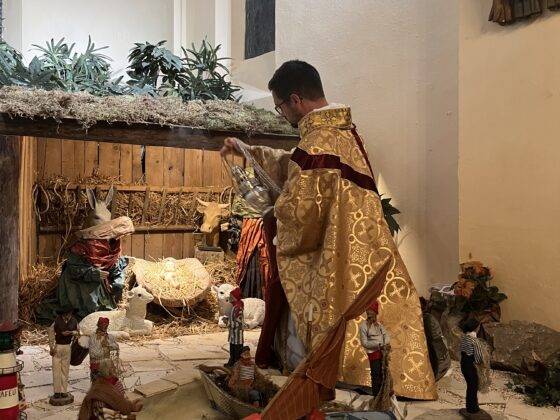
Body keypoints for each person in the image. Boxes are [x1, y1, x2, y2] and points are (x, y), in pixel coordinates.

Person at [220, 60, 436, 399]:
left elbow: (301, 212)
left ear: (295, 100)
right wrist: (249, 151)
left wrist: (272, 212)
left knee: (325, 312)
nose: (282, 114)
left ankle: (339, 371)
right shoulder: (343, 133)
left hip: (331, 250)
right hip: (364, 244)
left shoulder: (317, 143)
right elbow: (297, 166)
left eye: (280, 107)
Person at [459, 319, 491, 419]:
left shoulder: (464, 338)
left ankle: (470, 406)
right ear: (476, 328)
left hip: (464, 364)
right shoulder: (474, 341)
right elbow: (478, 357)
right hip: (471, 366)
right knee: (473, 386)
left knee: (470, 386)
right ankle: (472, 408)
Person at [359, 301, 391, 397]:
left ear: (375, 313)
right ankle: (377, 397)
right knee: (376, 375)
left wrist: (383, 343)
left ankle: (383, 395)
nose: (369, 314)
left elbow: (386, 336)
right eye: (368, 312)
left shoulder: (379, 326)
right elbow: (365, 343)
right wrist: (378, 344)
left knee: (383, 374)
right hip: (374, 354)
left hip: (383, 353)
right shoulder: (363, 326)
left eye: (371, 312)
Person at [49, 306, 78, 402]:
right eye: (67, 313)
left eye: (70, 313)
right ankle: (57, 392)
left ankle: (63, 391)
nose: (68, 315)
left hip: (67, 347)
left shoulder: (74, 321)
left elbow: (79, 332)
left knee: (65, 369)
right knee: (56, 369)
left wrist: (72, 332)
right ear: (63, 313)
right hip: (58, 346)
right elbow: (51, 332)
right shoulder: (57, 321)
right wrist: (51, 347)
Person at [88, 317, 119, 382]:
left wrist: (108, 345)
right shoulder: (93, 337)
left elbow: (116, 346)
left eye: (106, 325)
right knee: (98, 384)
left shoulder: (110, 336)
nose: (105, 327)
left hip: (107, 363)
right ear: (99, 325)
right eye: (103, 325)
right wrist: (103, 349)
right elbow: (93, 354)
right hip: (96, 363)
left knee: (111, 380)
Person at [225, 287, 244, 368]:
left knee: (237, 351)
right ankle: (232, 361)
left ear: (235, 297)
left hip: (237, 334)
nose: (230, 297)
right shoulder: (235, 307)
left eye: (231, 296)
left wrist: (228, 323)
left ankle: (236, 365)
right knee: (232, 348)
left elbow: (239, 323)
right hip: (233, 334)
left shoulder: (238, 308)